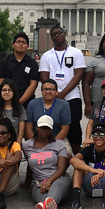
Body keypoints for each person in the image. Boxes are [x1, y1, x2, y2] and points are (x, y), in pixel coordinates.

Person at [39, 26, 85, 154]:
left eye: (59, 33)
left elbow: (79, 75)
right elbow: (44, 76)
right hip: (51, 98)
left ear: (64, 34)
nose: (56, 36)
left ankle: (78, 157)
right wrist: (52, 92)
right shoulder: (47, 56)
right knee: (52, 125)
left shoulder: (76, 53)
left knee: (74, 127)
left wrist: (63, 93)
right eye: (53, 34)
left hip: (72, 96)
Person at [22, 116, 71, 209]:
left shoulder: (59, 144)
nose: (44, 131)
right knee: (42, 201)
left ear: (51, 130)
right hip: (39, 182)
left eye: (47, 128)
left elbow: (61, 168)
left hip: (59, 179)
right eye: (42, 127)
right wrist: (27, 182)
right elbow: (30, 165)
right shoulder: (26, 145)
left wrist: (49, 181)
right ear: (36, 127)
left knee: (55, 189)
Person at [0, 32, 39, 110]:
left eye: (23, 42)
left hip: (27, 103)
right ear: (13, 45)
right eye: (18, 42)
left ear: (28, 46)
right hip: (6, 102)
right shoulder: (5, 62)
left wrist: (20, 102)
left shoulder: (32, 63)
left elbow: (33, 84)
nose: (21, 44)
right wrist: (8, 97)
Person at [25, 79, 71, 151]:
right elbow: (28, 129)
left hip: (57, 140)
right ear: (41, 91)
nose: (48, 91)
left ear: (56, 92)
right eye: (45, 89)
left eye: (51, 89)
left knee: (67, 154)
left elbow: (65, 130)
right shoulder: (32, 104)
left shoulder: (64, 105)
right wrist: (35, 144)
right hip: (36, 140)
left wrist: (52, 146)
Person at [0, 79, 26, 144]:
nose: (7, 92)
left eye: (10, 90)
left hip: (14, 146)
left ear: (14, 92)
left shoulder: (20, 109)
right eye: (4, 90)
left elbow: (21, 132)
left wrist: (16, 148)